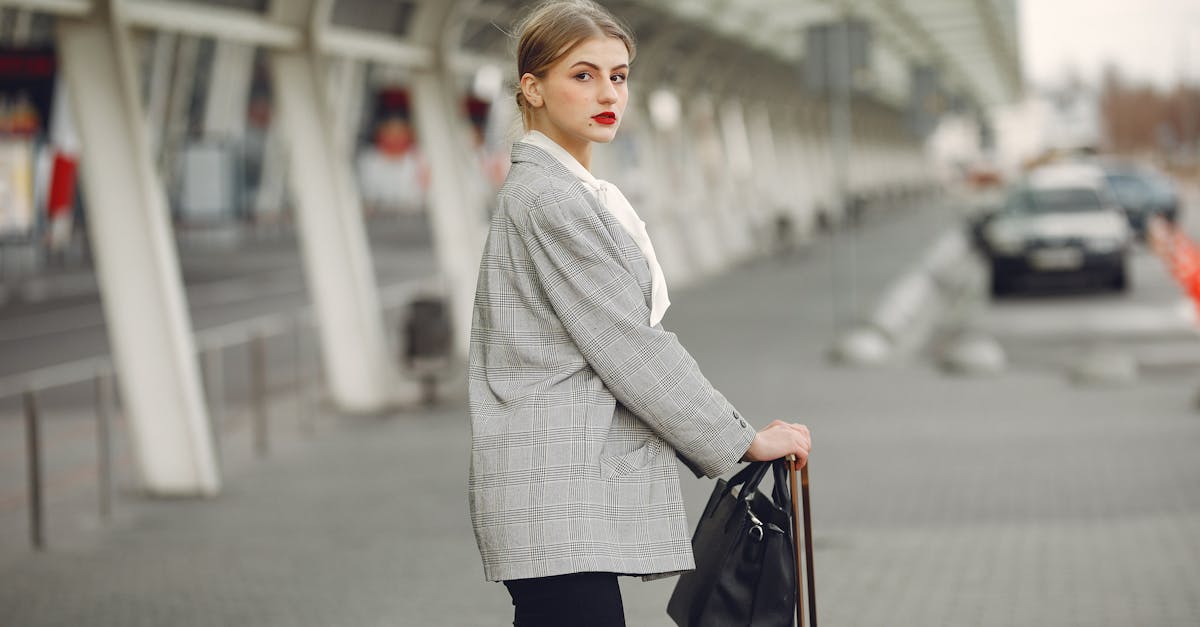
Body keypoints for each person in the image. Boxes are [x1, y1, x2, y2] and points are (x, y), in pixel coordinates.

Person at [467, 2, 812, 625]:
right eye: (583, 75)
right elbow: (629, 343)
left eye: (619, 76)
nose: (608, 93)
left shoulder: (566, 191)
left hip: (555, 496)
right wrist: (740, 439)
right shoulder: (551, 199)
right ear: (532, 87)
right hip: (555, 497)